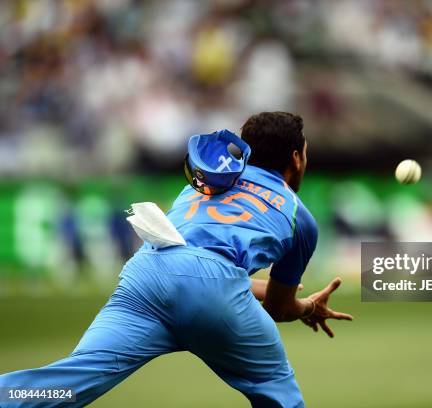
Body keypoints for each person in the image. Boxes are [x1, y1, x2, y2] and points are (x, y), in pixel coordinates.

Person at [0, 111, 353, 407]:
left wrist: (247, 287)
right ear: (296, 158)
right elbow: (278, 308)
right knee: (279, 393)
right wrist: (307, 307)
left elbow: (196, 261)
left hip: (149, 272)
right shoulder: (299, 216)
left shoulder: (208, 180)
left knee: (69, 381)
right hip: (212, 290)